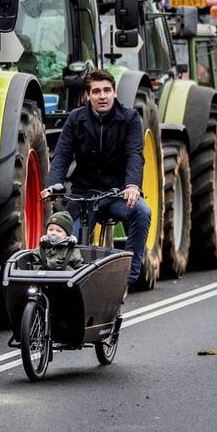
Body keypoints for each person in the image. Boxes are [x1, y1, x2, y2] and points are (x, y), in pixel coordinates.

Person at [40, 68, 151, 284]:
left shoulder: (129, 119)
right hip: (85, 195)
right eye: (97, 91)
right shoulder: (76, 118)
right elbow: (62, 154)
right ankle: (72, 284)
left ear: (115, 92)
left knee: (142, 212)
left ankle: (129, 275)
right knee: (67, 242)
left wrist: (132, 187)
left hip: (117, 193)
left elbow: (134, 155)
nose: (103, 96)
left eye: (107, 90)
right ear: (87, 95)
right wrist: (54, 185)